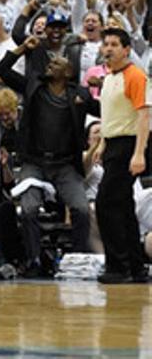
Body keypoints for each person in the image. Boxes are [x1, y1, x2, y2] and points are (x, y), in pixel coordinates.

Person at [0, 35, 94, 275]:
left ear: (69, 73)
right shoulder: (33, 87)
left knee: (82, 209)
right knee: (28, 210)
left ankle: (78, 260)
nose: (51, 63)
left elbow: (104, 109)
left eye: (57, 63)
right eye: (50, 62)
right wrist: (21, 48)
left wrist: (97, 88)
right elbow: (2, 69)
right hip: (35, 162)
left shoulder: (79, 95)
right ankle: (33, 260)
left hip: (64, 165)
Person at [95, 28, 150, 283]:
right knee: (124, 206)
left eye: (114, 44)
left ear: (126, 49)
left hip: (129, 145)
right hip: (114, 144)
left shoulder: (135, 76)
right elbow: (110, 116)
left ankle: (118, 266)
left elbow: (144, 115)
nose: (108, 49)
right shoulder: (108, 78)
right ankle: (136, 267)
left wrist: (139, 153)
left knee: (107, 204)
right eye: (105, 44)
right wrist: (102, 145)